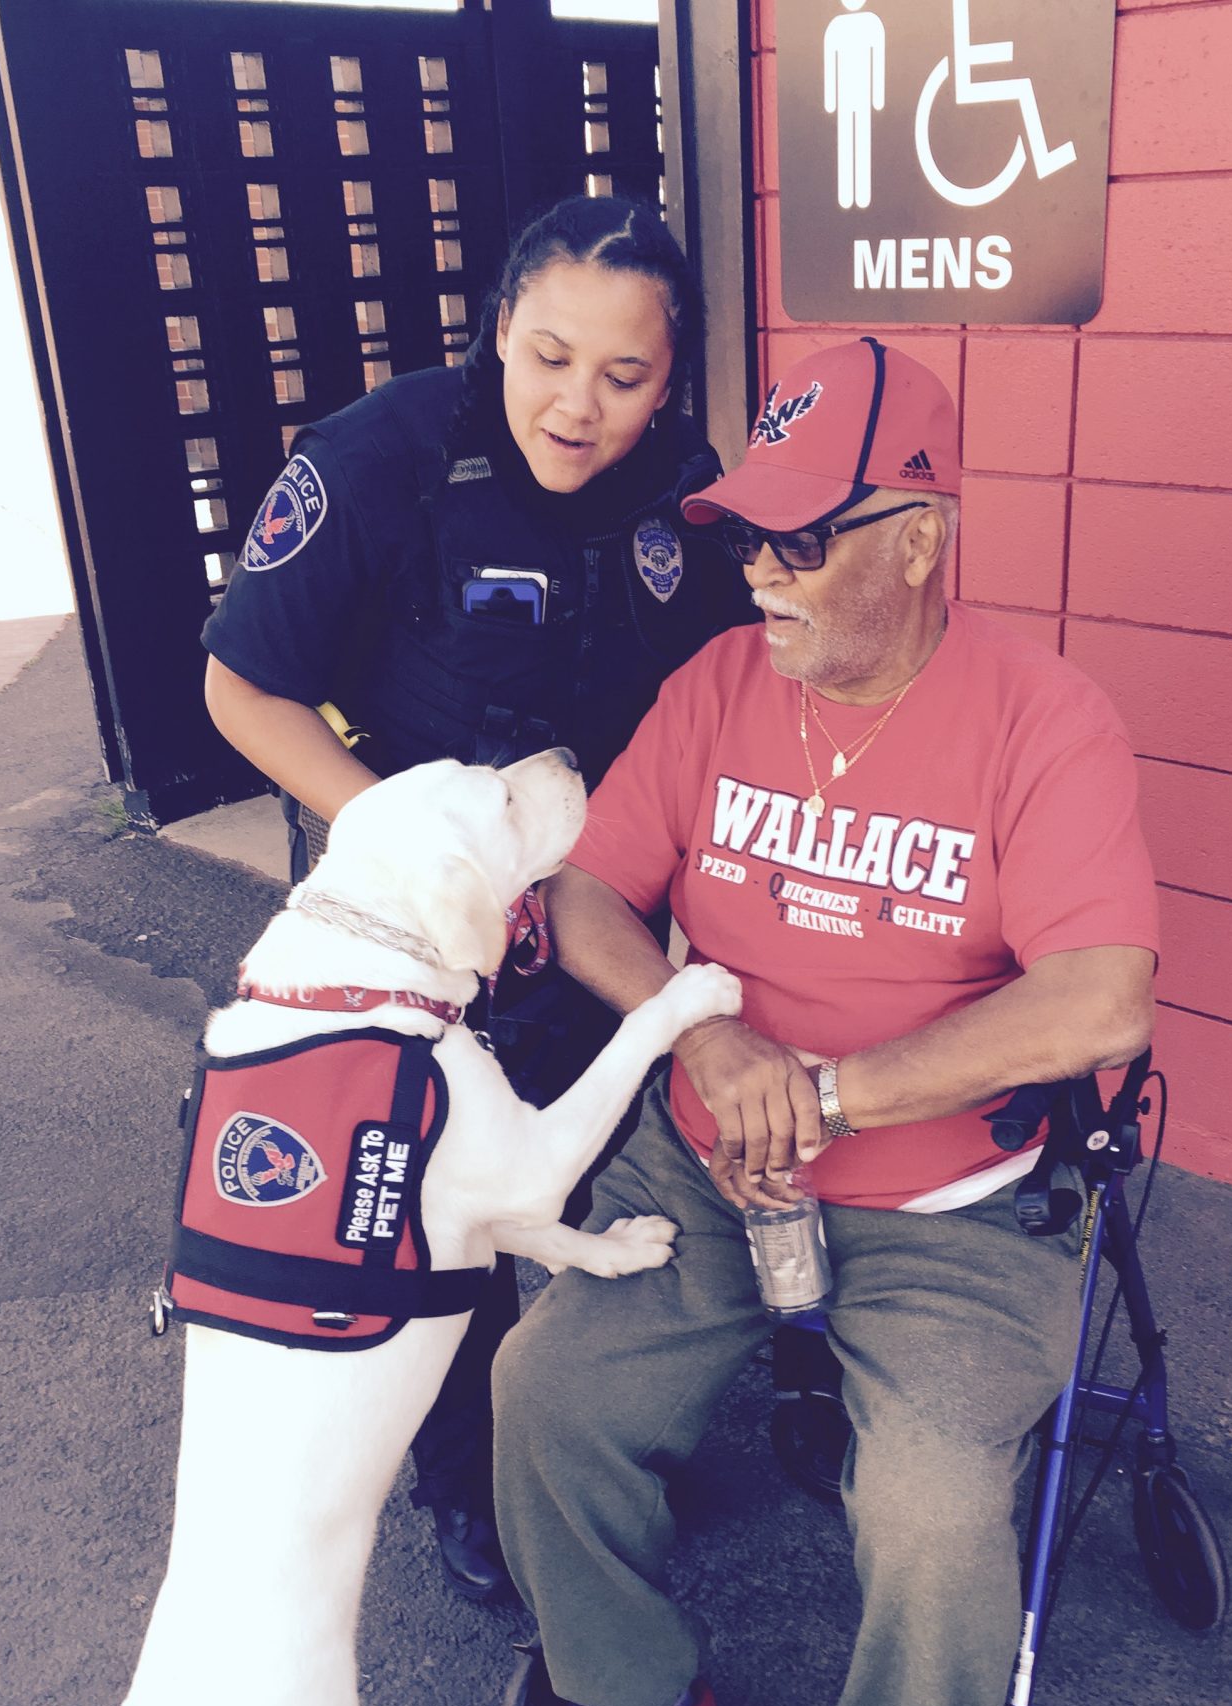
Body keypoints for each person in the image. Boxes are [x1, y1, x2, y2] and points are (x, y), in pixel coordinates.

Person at [488, 337, 1159, 1706]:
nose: (762, 575)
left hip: (945, 1209)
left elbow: (1098, 1000)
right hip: (710, 1173)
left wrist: (840, 1092)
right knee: (542, 1391)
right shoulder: (717, 687)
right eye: (748, 540)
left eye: (803, 541)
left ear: (918, 538)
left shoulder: (1041, 717)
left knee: (931, 1511)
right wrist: (700, 1043)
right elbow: (588, 897)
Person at [200, 195, 749, 1600]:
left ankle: (593, 1426)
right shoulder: (379, 460)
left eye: (624, 378)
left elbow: (728, 690)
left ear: (668, 382)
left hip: (585, 886)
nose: (579, 405)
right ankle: (465, 1475)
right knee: (422, 1189)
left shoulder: (683, 491)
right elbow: (240, 684)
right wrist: (397, 830)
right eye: (550, 355)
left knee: (595, 1144)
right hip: (409, 893)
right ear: (499, 326)